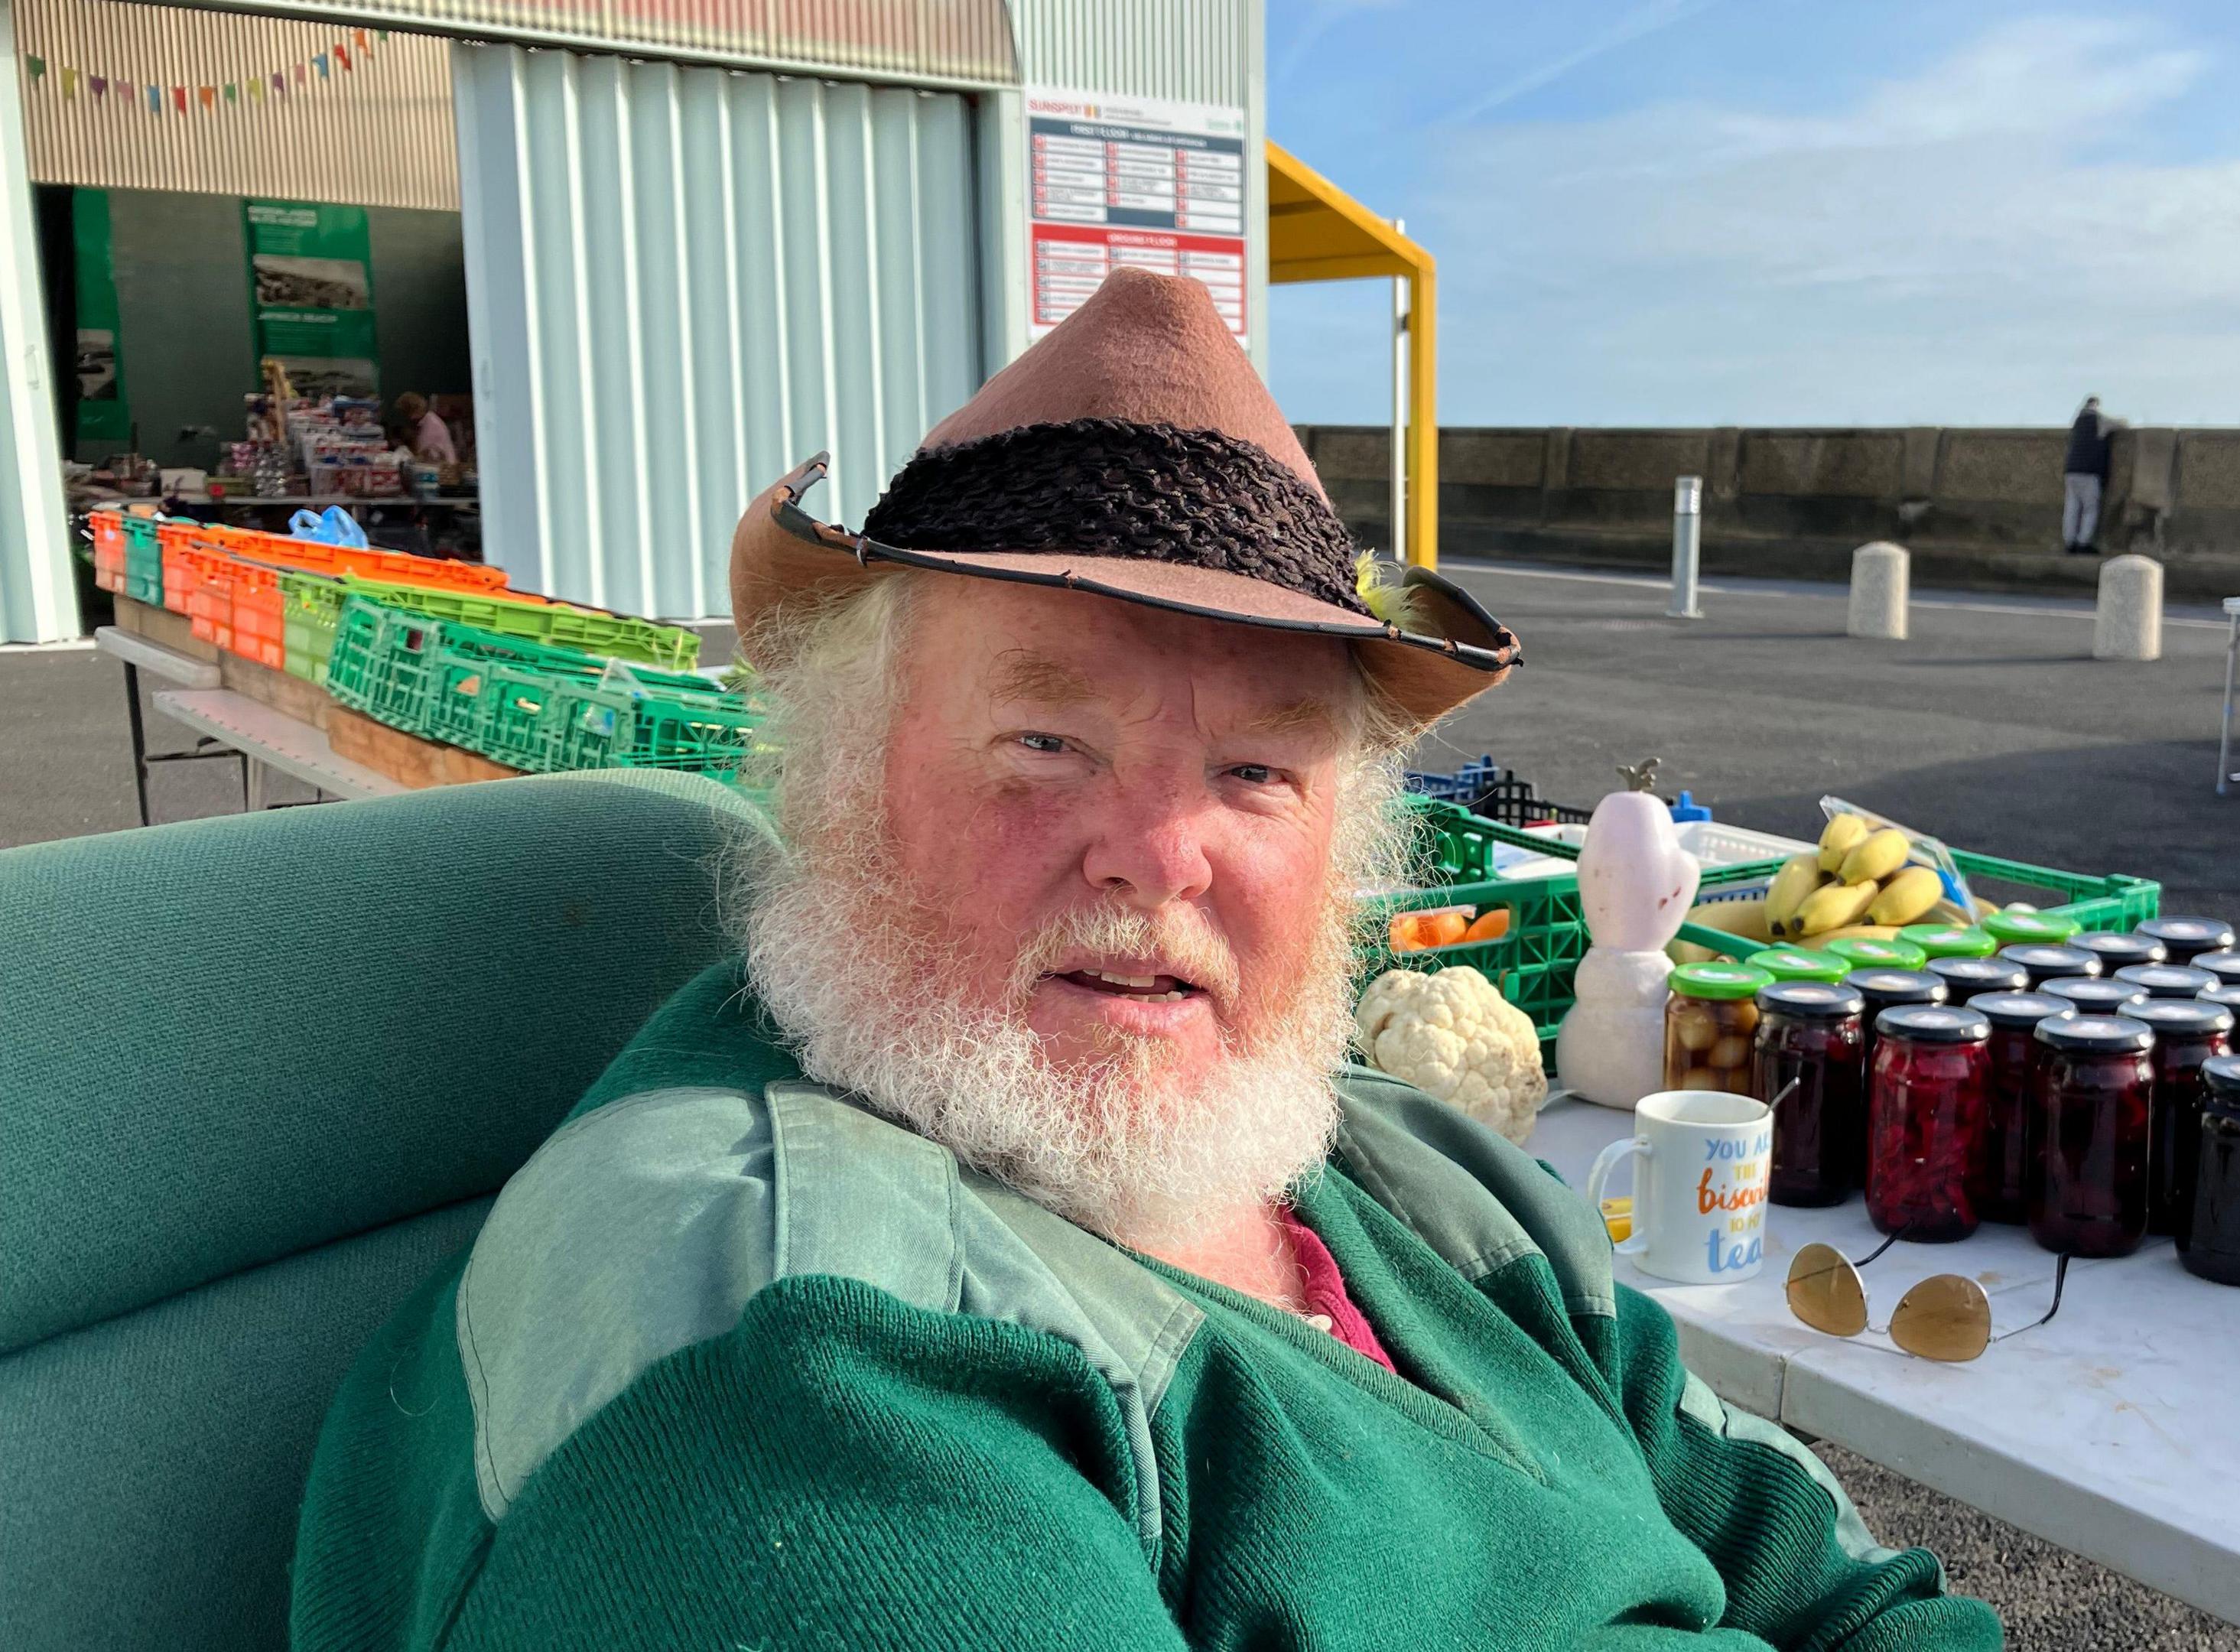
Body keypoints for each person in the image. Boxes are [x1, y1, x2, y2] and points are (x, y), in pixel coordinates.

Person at [291, 268, 2002, 1652]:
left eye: (1261, 771)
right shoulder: (790, 1336)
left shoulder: (1411, 1181)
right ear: (835, 775)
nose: (1163, 852)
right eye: (1045, 740)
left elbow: (1853, 1595)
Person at [2063, 394, 2118, 554]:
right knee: (2090, 509)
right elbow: (2122, 424)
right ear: (2096, 405)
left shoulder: (2077, 422)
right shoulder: (2099, 419)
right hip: (2089, 472)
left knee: (2072, 508)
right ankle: (2083, 542)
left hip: (2071, 471)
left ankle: (2069, 542)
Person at [392, 391, 457, 464]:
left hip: (445, 469)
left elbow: (422, 454)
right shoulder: (427, 419)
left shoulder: (432, 424)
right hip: (437, 464)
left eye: (405, 413)